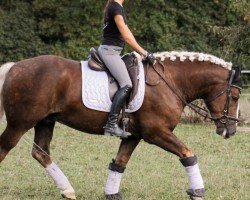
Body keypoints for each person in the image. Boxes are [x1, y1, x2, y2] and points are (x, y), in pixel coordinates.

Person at [98, 0, 155, 138]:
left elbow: (129, 33)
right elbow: (127, 38)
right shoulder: (115, 8)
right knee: (127, 84)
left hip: (114, 51)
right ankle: (111, 125)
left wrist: (141, 52)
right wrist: (145, 53)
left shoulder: (117, 7)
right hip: (110, 52)